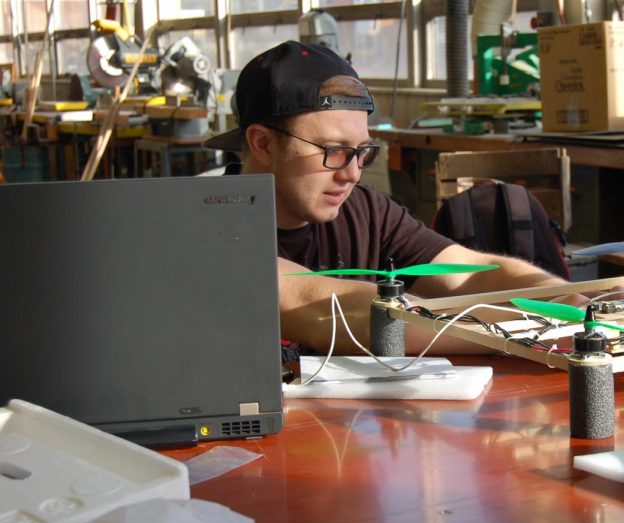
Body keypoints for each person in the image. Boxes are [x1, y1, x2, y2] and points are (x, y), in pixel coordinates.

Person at [205, 41, 573, 355]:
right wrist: (550, 325)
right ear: (263, 143)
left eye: (362, 152)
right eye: (333, 151)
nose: (352, 173)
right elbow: (361, 315)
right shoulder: (212, 229)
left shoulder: (365, 211)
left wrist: (567, 300)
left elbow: (466, 274)